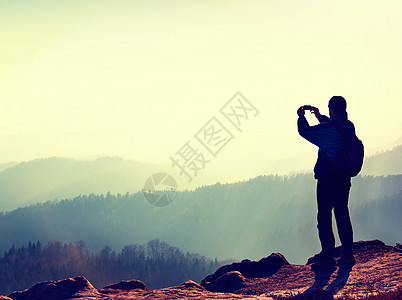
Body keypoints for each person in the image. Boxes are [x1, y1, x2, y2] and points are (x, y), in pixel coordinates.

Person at [297, 96, 356, 267]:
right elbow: (334, 126)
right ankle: (347, 254)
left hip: (327, 179)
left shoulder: (328, 129)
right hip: (344, 177)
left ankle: (327, 257)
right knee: (342, 214)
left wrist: (301, 117)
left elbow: (306, 132)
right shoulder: (349, 126)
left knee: (324, 217)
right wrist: (320, 116)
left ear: (331, 109)